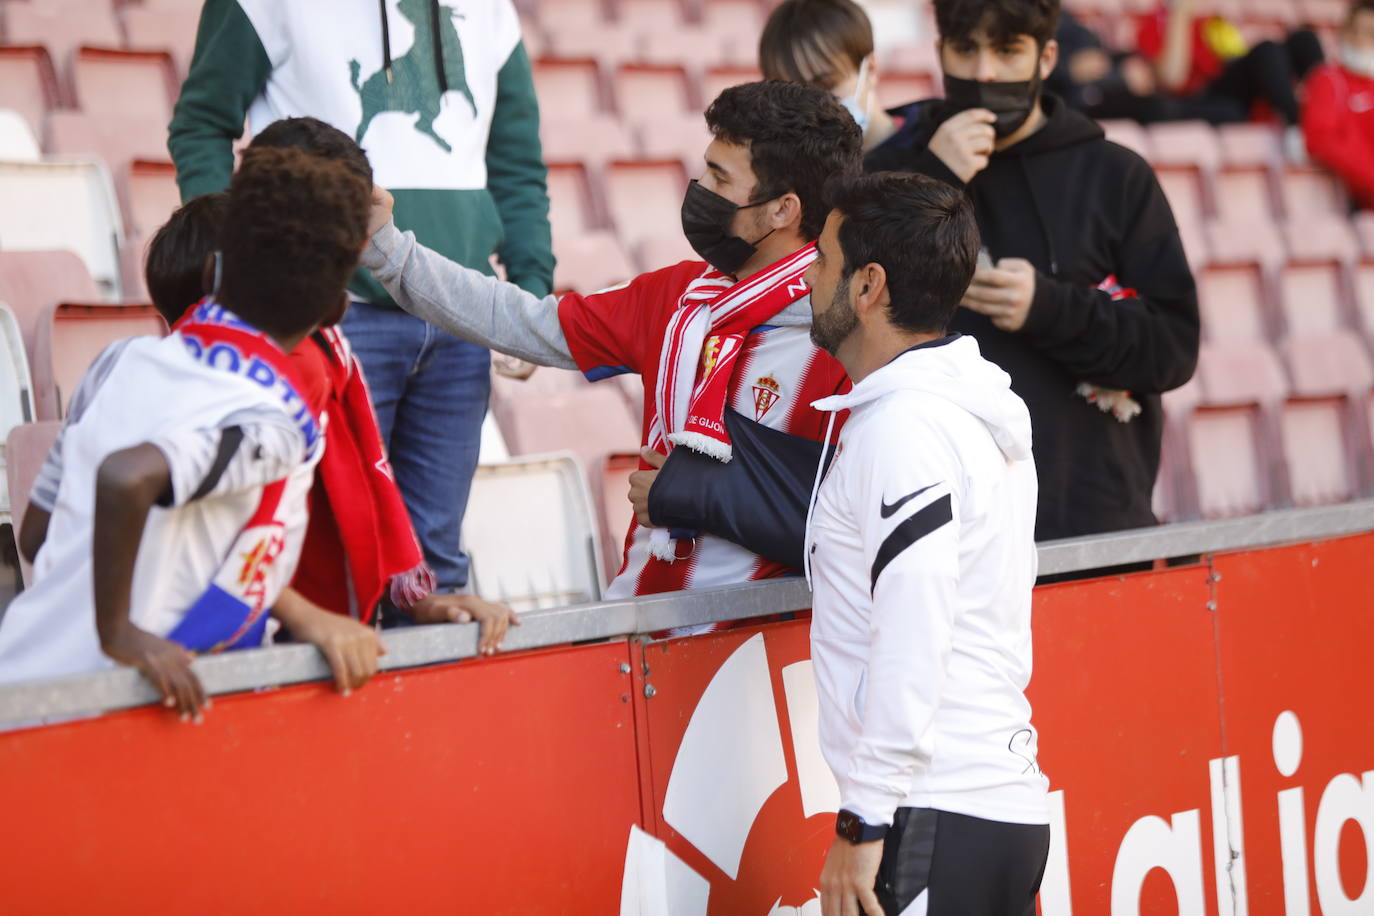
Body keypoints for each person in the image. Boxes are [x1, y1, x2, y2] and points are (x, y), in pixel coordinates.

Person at [361, 80, 860, 598]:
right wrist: (390, 252)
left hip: (765, 648)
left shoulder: (848, 337)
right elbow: (520, 321)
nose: (699, 187)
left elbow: (855, 525)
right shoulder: (676, 296)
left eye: (719, 175)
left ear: (782, 211)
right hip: (643, 621)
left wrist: (698, 494)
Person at [168, 0, 554, 601]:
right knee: (326, 558)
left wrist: (530, 286)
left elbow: (517, 161)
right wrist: (241, 261)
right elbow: (200, 123)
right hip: (328, 316)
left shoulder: (491, 10)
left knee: (433, 570)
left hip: (463, 319)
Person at [0, 148, 373, 718]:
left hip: (23, 673)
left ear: (212, 275)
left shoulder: (117, 363)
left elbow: (36, 536)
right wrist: (118, 631)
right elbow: (127, 477)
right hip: (103, 698)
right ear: (335, 310)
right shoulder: (271, 421)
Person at [803, 171, 1049, 916]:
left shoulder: (904, 427)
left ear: (868, 285)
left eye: (821, 261)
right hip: (986, 807)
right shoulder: (962, 409)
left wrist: (864, 816)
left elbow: (918, 622)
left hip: (933, 810)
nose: (807, 280)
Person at [863, 0, 1199, 542]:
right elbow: (843, 306)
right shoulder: (895, 166)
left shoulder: (1116, 176)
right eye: (966, 49)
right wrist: (931, 176)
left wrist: (1049, 308)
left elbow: (1173, 349)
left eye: (1007, 50)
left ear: (1046, 58)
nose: (984, 72)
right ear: (940, 50)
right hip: (939, 534)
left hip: (1091, 530)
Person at [1133, 0, 1324, 128]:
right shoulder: (1155, 22)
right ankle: (1298, 123)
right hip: (1204, 98)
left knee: (1303, 40)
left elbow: (1234, 53)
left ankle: (1322, 114)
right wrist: (1180, 15)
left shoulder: (1212, 18)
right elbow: (1172, 79)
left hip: (1234, 86)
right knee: (1267, 49)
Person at [758, 0, 897, 152]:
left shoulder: (925, 149)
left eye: (827, 85)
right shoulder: (785, 171)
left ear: (870, 69)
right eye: (792, 97)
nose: (812, 108)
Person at [1303, 1, 1374, 210]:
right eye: (1354, 31)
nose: (1360, 40)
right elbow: (1320, 139)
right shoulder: (1329, 80)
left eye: (1370, 33)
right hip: (1358, 203)